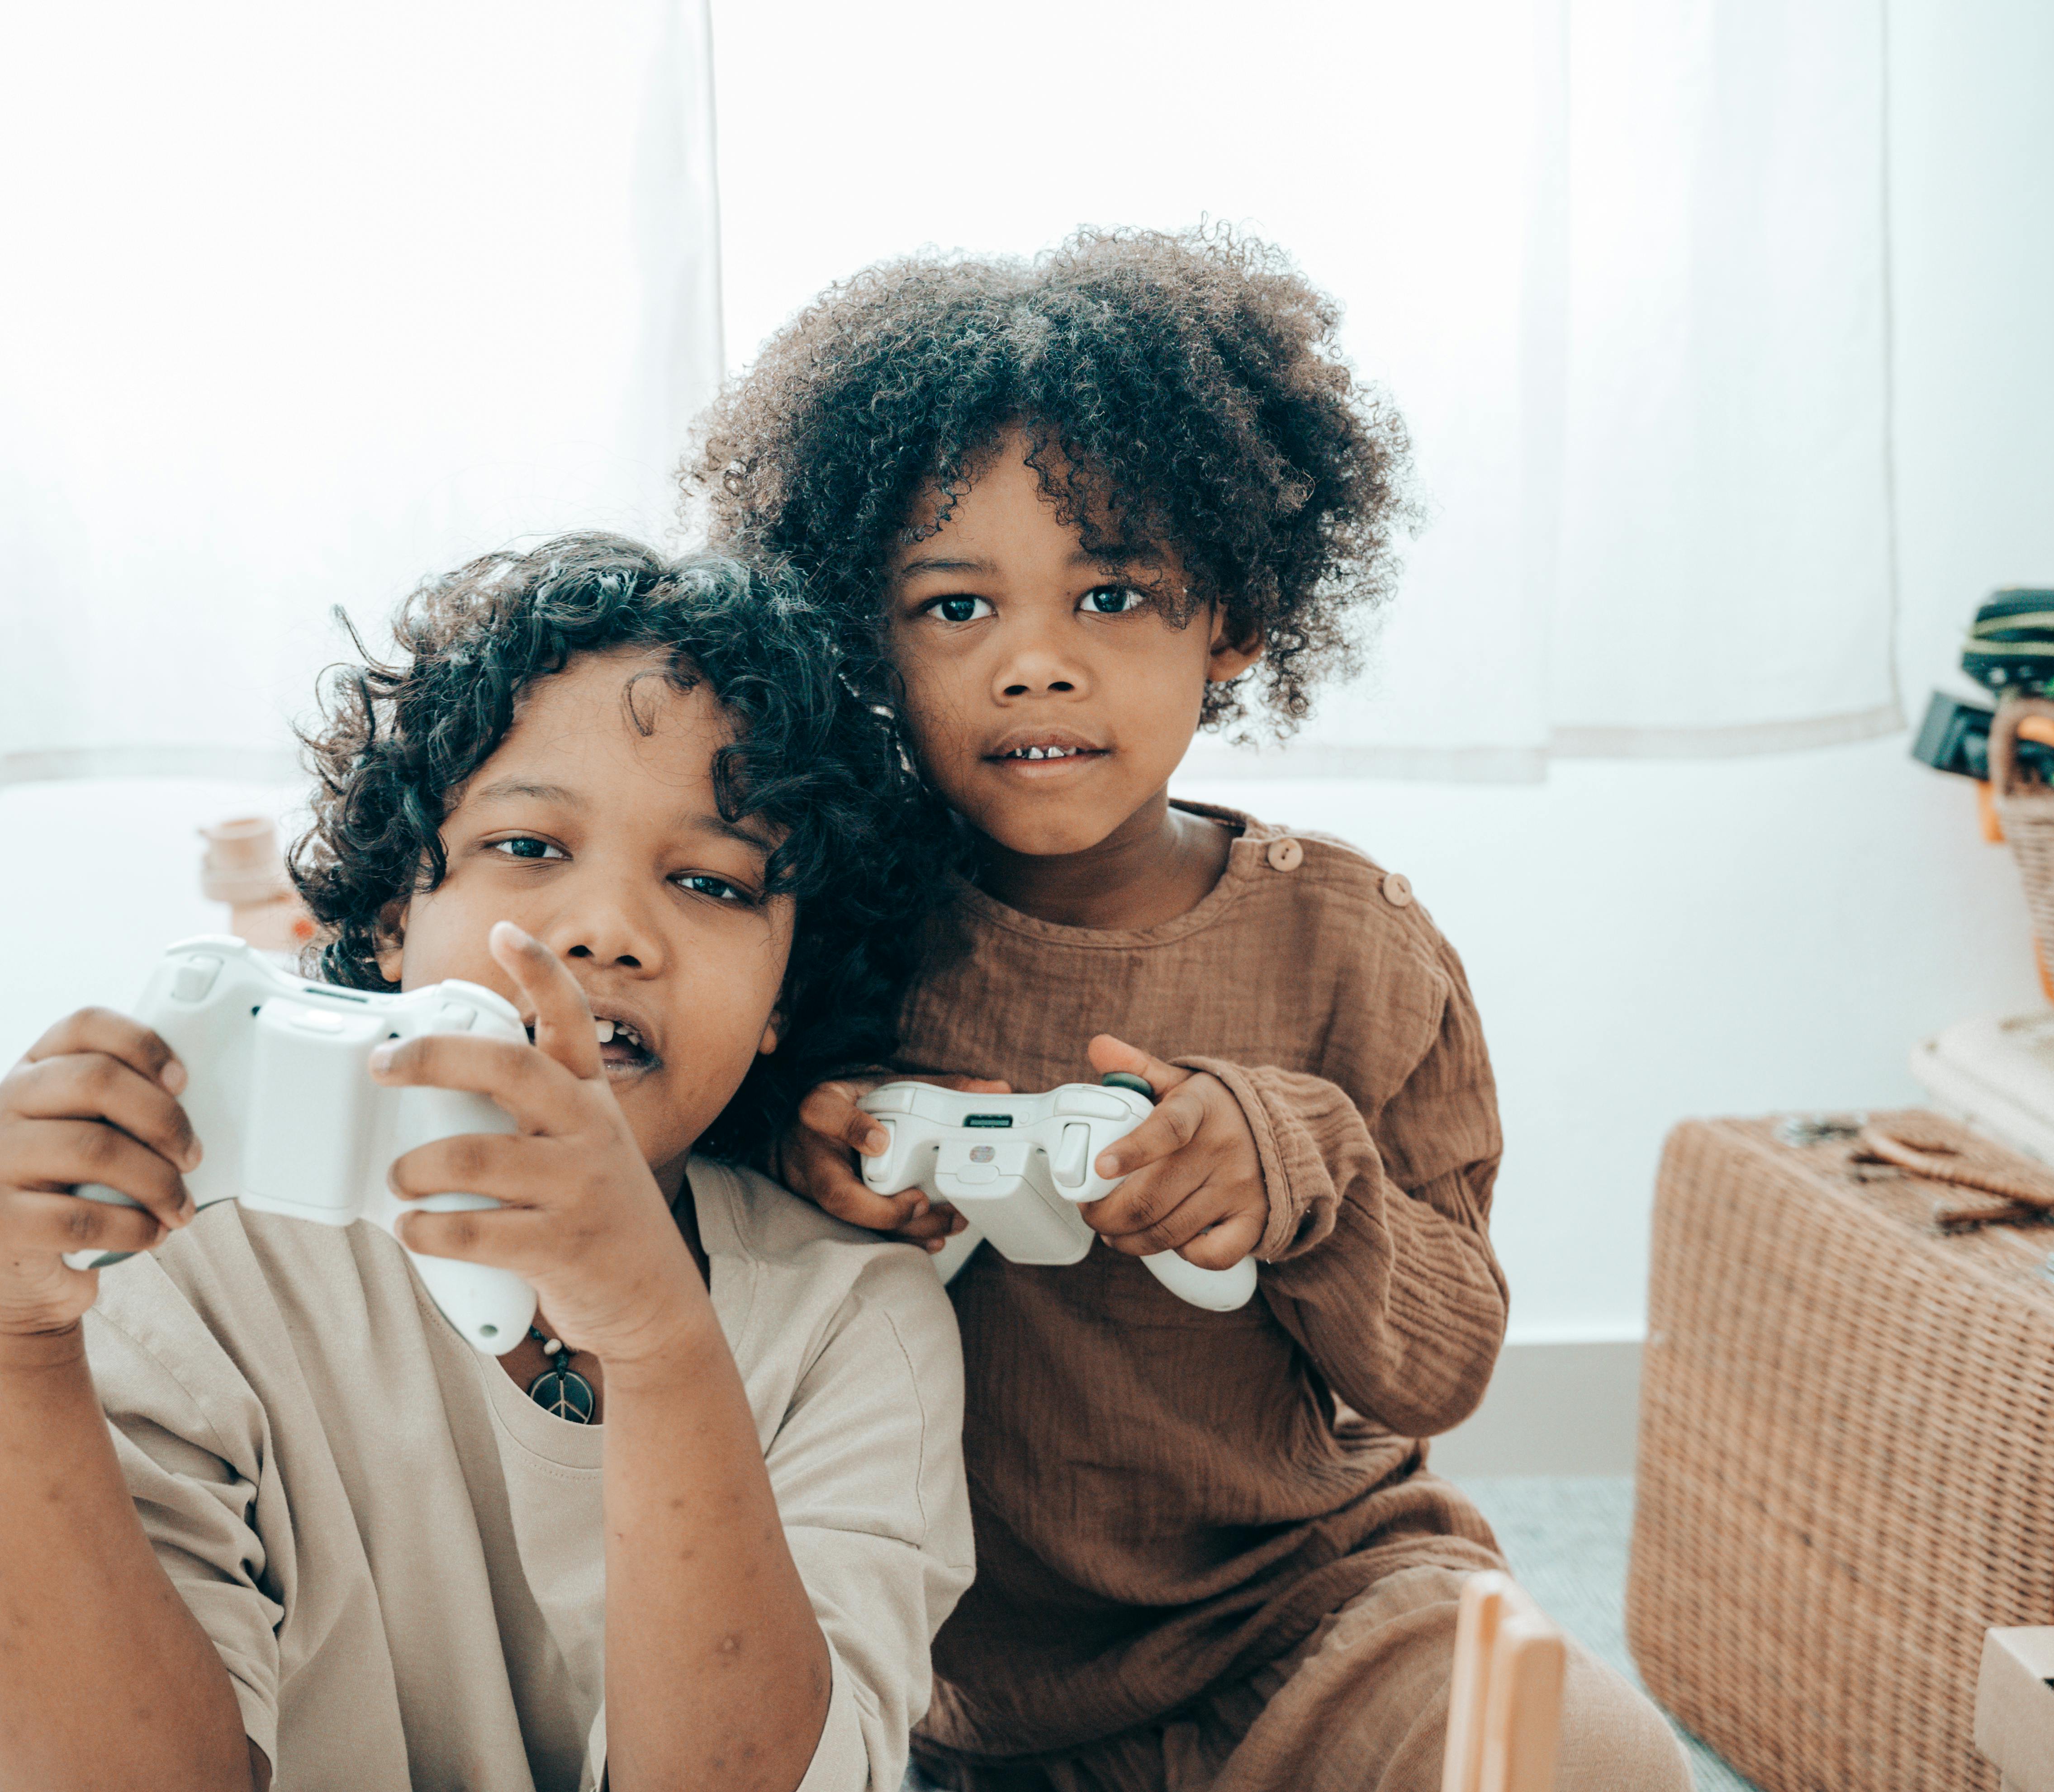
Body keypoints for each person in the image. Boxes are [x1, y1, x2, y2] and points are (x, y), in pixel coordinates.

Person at [686, 228, 1690, 1791]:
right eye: (955, 607)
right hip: (943, 1667)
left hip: (1319, 1610)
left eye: (1113, 592)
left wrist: (1305, 1170)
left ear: (1234, 617)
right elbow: (685, 1204)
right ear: (866, 637)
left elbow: (1438, 1365)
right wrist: (792, 1151)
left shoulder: (1349, 942)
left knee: (1598, 1765)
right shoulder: (830, 913)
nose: (1034, 663)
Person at [0, 535, 974, 1792]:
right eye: (530, 848)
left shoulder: (857, 1323)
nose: (606, 928)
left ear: (786, 993)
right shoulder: (201, 1244)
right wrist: (16, 1344)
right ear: (394, 917)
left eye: (710, 879)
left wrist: (655, 1336)